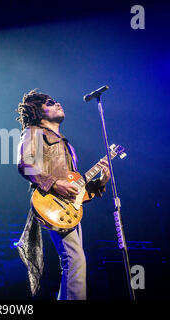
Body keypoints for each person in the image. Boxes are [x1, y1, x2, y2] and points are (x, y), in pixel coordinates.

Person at [15, 89, 110, 300]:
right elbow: (25, 164)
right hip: (51, 204)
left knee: (75, 260)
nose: (57, 103)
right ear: (38, 112)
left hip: (68, 208)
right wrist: (55, 184)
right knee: (75, 260)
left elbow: (76, 188)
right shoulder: (34, 132)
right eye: (50, 102)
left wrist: (100, 183)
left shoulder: (68, 146)